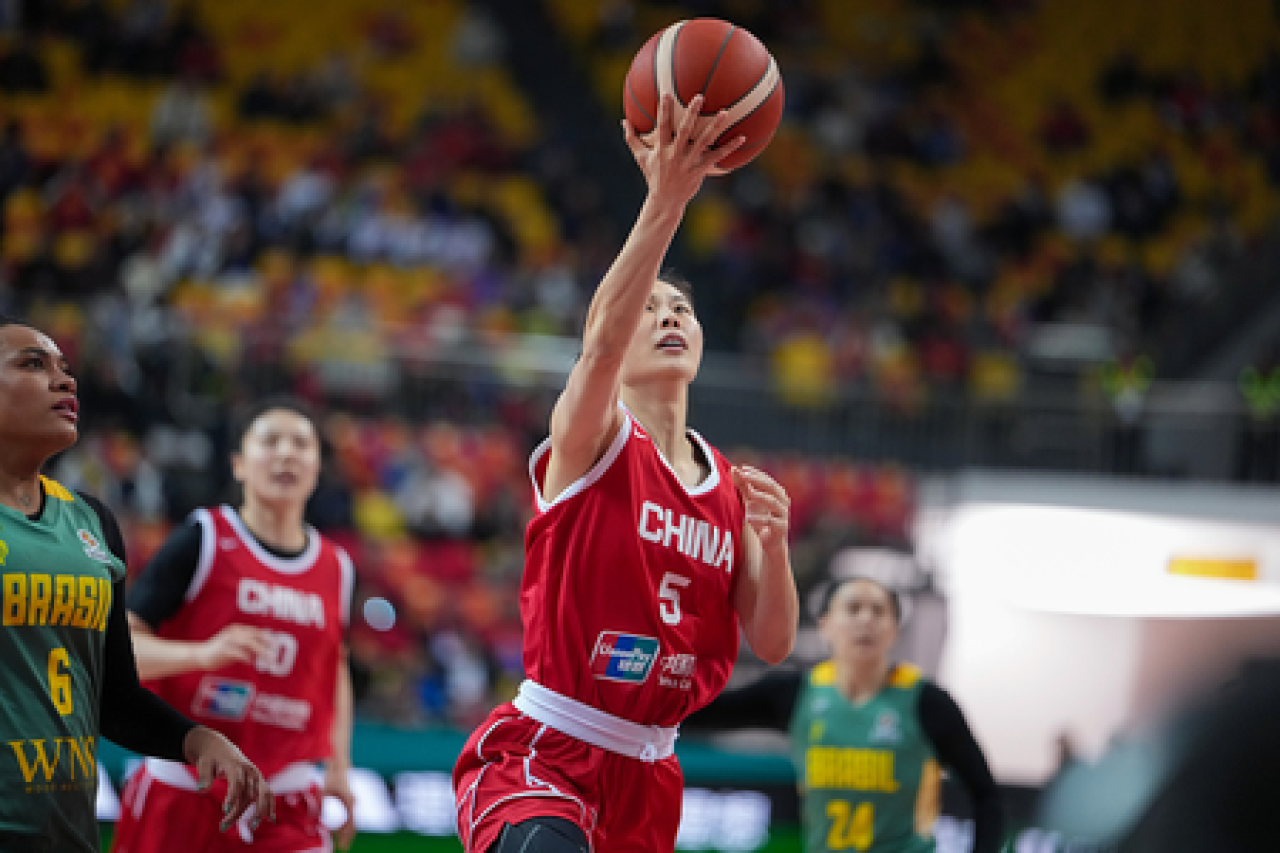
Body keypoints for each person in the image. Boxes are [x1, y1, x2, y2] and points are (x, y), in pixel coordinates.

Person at [452, 93, 800, 853]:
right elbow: (600, 347)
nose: (669, 316)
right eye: (652, 307)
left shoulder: (728, 489)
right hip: (547, 750)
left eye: (682, 309)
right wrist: (667, 200)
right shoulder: (596, 434)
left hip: (650, 774)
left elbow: (772, 640)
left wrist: (774, 549)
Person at [0, 315, 274, 852]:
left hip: (68, 832)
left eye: (65, 367)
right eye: (34, 365)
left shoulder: (92, 523)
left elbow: (113, 695)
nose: (64, 380)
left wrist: (195, 740)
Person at [110, 397, 356, 852]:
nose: (286, 452)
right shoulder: (202, 538)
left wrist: (339, 767)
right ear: (240, 464)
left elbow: (333, 668)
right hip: (186, 786)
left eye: (301, 443)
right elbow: (118, 652)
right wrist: (202, 654)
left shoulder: (337, 566)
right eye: (270, 440)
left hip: (288, 796)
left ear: (317, 468)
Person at [687, 576, 1002, 852]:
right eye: (852, 609)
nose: (865, 620)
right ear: (825, 625)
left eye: (879, 611)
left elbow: (987, 796)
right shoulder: (797, 694)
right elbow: (701, 711)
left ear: (894, 630)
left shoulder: (927, 702)